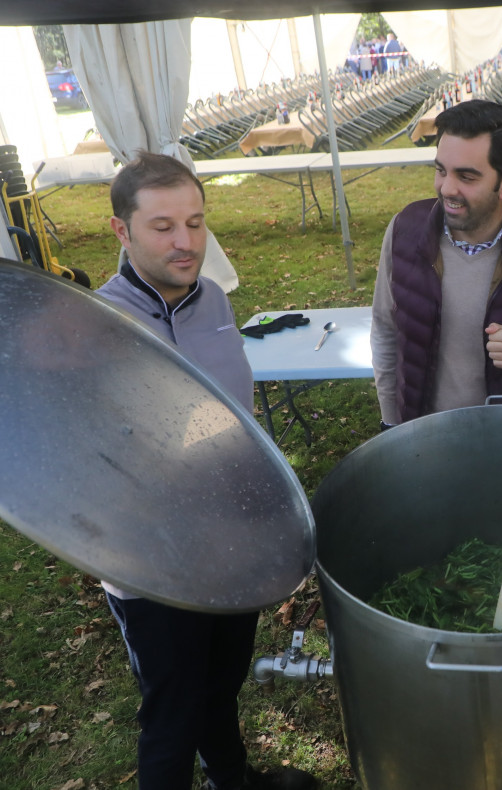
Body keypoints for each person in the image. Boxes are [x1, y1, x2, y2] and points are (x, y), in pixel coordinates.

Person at [97, 152, 317, 790]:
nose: (185, 241)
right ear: (122, 231)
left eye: (195, 222)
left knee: (221, 683)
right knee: (172, 714)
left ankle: (231, 777)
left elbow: (234, 418)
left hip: (230, 540)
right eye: (163, 226)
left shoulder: (214, 299)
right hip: (153, 563)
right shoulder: (99, 325)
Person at [371, 99, 502, 428]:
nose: (447, 188)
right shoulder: (404, 230)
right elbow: (385, 330)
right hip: (423, 437)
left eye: (466, 176)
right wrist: (392, 424)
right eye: (440, 170)